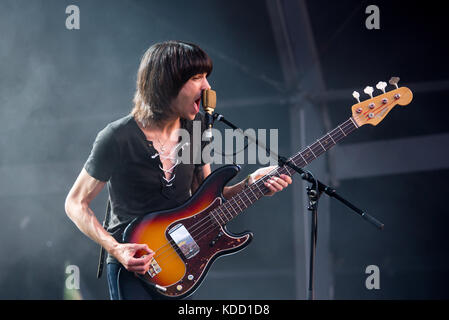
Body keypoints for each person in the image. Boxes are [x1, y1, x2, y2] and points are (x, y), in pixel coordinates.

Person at [65, 40, 292, 300]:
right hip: (135, 264)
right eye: (196, 78)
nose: (207, 87)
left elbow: (207, 200)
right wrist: (116, 249)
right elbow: (75, 203)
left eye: (206, 77)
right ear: (166, 83)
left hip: (181, 264)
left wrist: (252, 184)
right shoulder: (117, 137)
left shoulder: (197, 131)